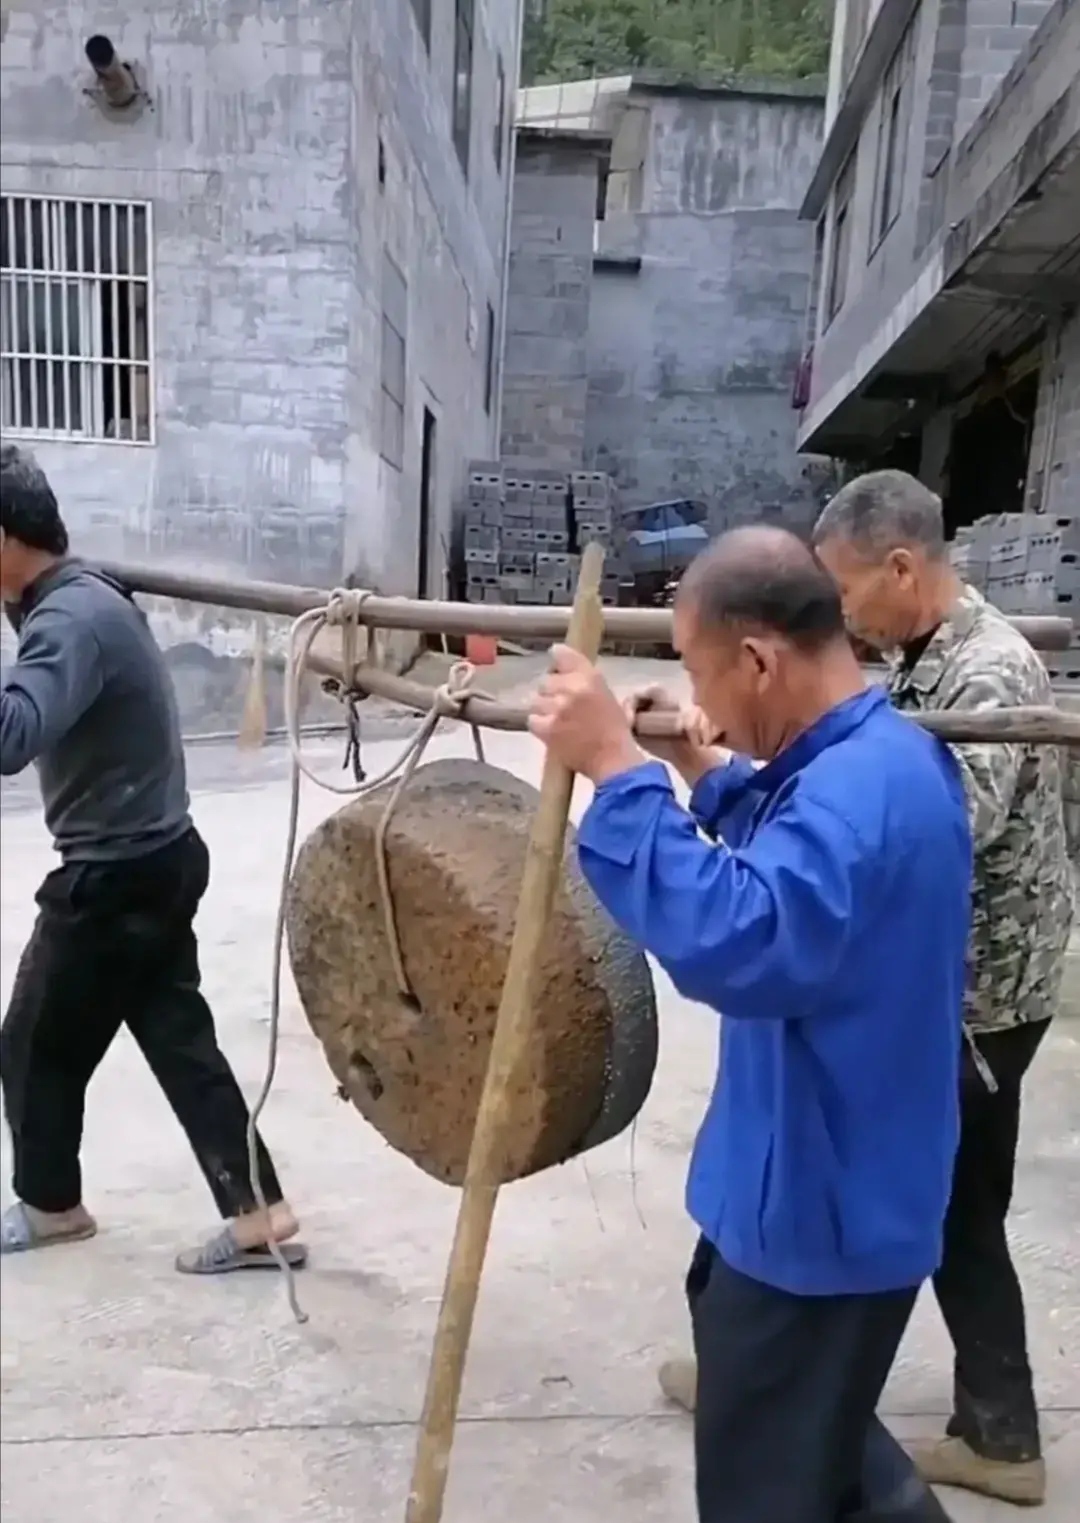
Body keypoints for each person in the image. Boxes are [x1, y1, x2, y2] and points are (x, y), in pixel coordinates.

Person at [529, 525, 969, 1523]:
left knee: (771, 1484)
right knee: (824, 1440)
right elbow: (799, 862)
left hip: (822, 1210)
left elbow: (744, 937)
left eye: (699, 670)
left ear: (761, 659)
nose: (699, 698)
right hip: (816, 1183)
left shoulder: (862, 793)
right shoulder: (879, 756)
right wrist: (705, 770)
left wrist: (617, 769)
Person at [810, 469, 1073, 1507]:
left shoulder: (990, 675)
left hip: (981, 1002)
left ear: (902, 568)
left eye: (844, 592)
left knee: (941, 1204)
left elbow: (933, 833)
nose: (840, 616)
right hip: (959, 988)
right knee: (948, 1202)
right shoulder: (930, 656)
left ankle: (995, 1434)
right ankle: (984, 1423)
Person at [0, 443, 305, 1274]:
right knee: (178, 1039)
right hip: (161, 855)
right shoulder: (79, 594)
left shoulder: (69, 618)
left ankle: (52, 1205)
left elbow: (11, 736)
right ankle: (259, 1213)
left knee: (32, 1044)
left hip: (114, 876)